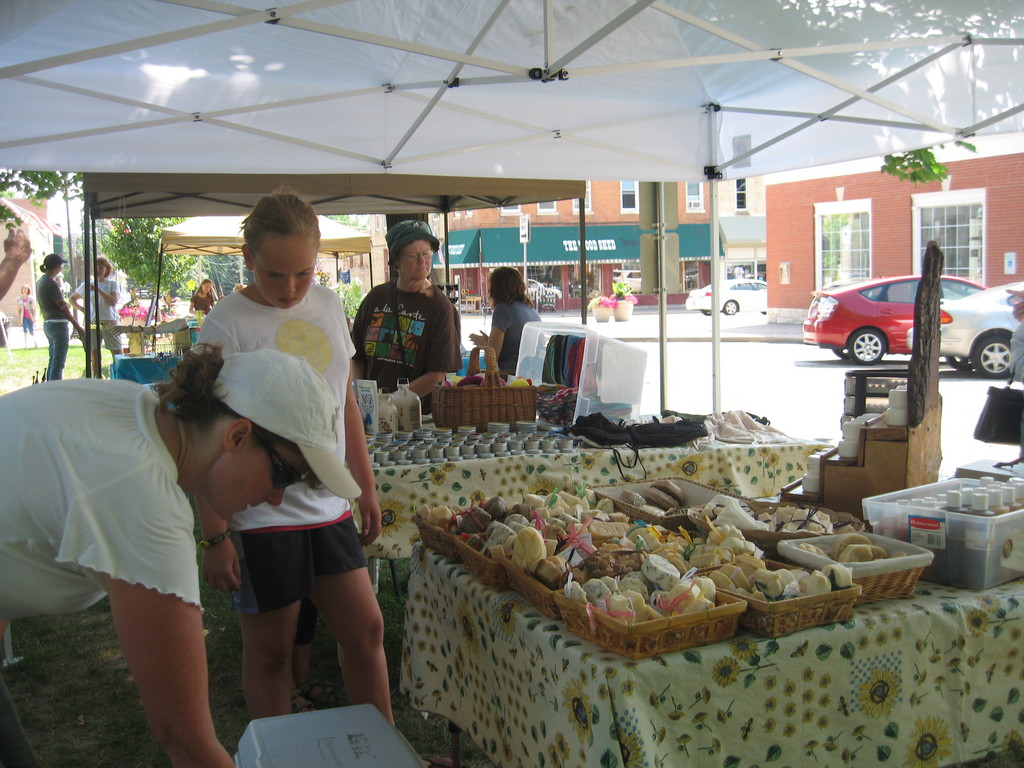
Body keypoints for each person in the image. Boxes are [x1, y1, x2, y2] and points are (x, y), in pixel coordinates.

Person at [0, 345, 362, 768]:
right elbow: (185, 741)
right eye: (283, 473)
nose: (278, 497)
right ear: (237, 435)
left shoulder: (130, 404)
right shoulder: (143, 501)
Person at [196, 191, 391, 723]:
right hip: (261, 512)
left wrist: (364, 485)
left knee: (367, 630)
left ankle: (386, 750)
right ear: (248, 259)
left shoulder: (328, 304)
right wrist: (214, 534)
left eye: (303, 274)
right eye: (275, 274)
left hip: (329, 504)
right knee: (271, 653)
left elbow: (343, 398)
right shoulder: (225, 324)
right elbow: (202, 435)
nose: (289, 290)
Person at [350, 220, 461, 414]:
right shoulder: (375, 298)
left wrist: (388, 404)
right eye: (413, 255)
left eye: (426, 253)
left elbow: (437, 375)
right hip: (370, 414)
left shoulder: (440, 307)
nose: (422, 261)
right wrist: (361, 395)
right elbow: (357, 356)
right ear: (396, 261)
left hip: (415, 417)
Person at [469, 266, 541, 374]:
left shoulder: (502, 310)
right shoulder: (532, 311)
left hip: (511, 376)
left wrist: (484, 344)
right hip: (532, 375)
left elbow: (491, 359)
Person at [36, 252, 85, 382]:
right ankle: (55, 387)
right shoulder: (52, 283)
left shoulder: (41, 281)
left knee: (53, 358)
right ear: (57, 266)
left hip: (48, 323)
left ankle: (51, 386)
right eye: (61, 265)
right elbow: (63, 307)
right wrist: (78, 326)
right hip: (58, 324)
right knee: (59, 362)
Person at [70, 255, 123, 376]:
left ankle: (120, 376)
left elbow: (113, 301)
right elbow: (72, 299)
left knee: (117, 352)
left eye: (101, 267)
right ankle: (96, 377)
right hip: (93, 323)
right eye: (96, 267)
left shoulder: (112, 284)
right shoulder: (86, 285)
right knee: (94, 352)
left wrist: (98, 289)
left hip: (109, 322)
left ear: (107, 269)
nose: (98, 270)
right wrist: (82, 309)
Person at [16, 284, 37, 348]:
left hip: (30, 317)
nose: (25, 290)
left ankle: (35, 343)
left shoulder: (31, 298)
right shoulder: (19, 299)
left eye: (26, 288)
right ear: (21, 290)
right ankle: (26, 345)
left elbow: (34, 308)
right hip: (24, 317)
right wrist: (19, 320)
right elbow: (19, 310)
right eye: (23, 289)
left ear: (28, 290)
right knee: (25, 330)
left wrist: (34, 317)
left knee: (32, 330)